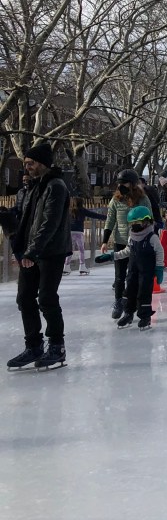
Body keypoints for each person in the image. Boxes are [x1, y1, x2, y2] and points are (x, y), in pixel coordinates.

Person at [5, 143, 72, 371]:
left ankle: (57, 346)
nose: (27, 167)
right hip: (31, 251)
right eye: (25, 163)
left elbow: (49, 223)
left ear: (43, 163)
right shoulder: (34, 187)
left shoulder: (56, 186)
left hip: (51, 251)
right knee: (24, 298)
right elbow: (27, 220)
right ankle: (33, 345)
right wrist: (9, 222)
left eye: (30, 163)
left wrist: (33, 251)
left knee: (46, 298)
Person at [95, 206, 164, 331]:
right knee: (129, 292)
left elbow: (160, 252)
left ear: (146, 221)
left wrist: (159, 268)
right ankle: (128, 314)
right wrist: (112, 256)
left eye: (137, 222)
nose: (134, 225)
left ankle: (145, 317)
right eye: (132, 223)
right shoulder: (132, 236)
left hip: (146, 272)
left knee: (143, 293)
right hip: (132, 271)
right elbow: (127, 251)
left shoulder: (152, 237)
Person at [101, 169, 153, 321]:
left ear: (133, 184)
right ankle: (118, 302)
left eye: (124, 183)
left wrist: (149, 240)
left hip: (137, 244)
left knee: (132, 278)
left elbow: (149, 220)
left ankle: (130, 307)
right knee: (119, 277)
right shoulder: (116, 200)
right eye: (119, 183)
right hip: (120, 242)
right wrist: (105, 241)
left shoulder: (143, 199)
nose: (121, 186)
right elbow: (110, 220)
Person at [64, 196, 105, 275]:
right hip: (79, 232)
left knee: (70, 250)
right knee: (81, 250)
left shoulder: (69, 211)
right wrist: (106, 217)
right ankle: (82, 266)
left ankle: (66, 266)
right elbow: (94, 215)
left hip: (70, 232)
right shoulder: (82, 210)